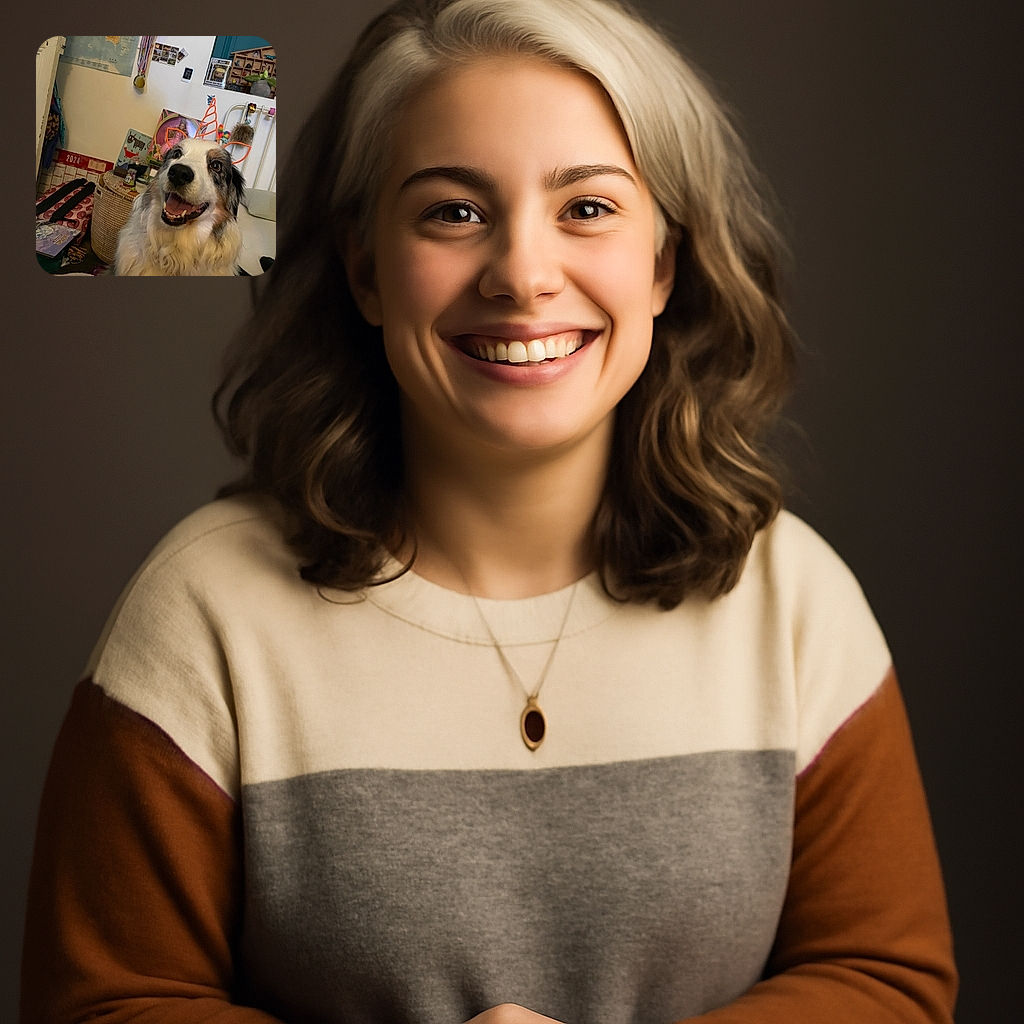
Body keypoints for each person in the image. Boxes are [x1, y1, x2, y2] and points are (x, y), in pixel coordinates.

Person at [21, 1, 957, 1021]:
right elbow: (102, 1002)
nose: (521, 275)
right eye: (453, 212)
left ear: (663, 264)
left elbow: (888, 981)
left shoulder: (797, 602)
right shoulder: (200, 616)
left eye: (589, 208)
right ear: (366, 269)